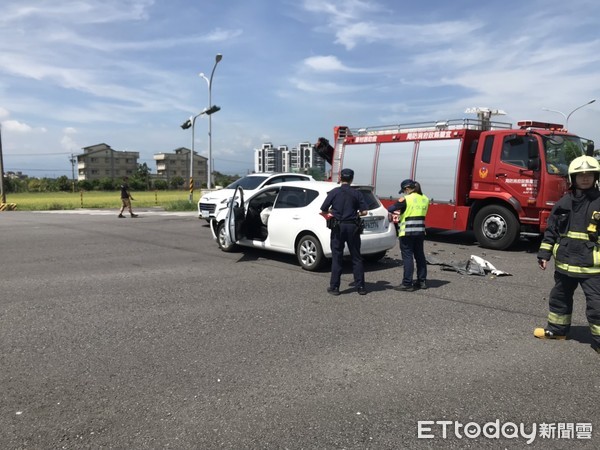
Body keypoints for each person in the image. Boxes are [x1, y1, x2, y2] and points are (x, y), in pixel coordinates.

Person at [535, 155, 600, 355]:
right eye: (580, 175)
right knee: (559, 298)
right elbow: (552, 230)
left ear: (596, 176)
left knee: (597, 304)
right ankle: (557, 330)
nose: (585, 178)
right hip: (564, 265)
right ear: (573, 178)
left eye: (589, 174)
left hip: (592, 267)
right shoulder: (563, 203)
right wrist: (544, 254)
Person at [320, 168, 369, 296]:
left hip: (338, 227)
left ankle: (335, 287)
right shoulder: (357, 194)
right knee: (356, 257)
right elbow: (364, 212)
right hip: (352, 227)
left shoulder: (334, 192)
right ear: (352, 178)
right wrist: (355, 213)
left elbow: (323, 209)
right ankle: (361, 287)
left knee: (337, 256)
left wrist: (332, 212)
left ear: (341, 178)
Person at [388, 179, 429, 291]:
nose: (404, 193)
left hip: (407, 232)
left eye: (404, 190)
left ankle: (407, 283)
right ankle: (422, 281)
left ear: (407, 189)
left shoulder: (406, 199)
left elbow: (391, 209)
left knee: (408, 257)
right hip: (420, 232)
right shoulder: (425, 198)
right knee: (420, 256)